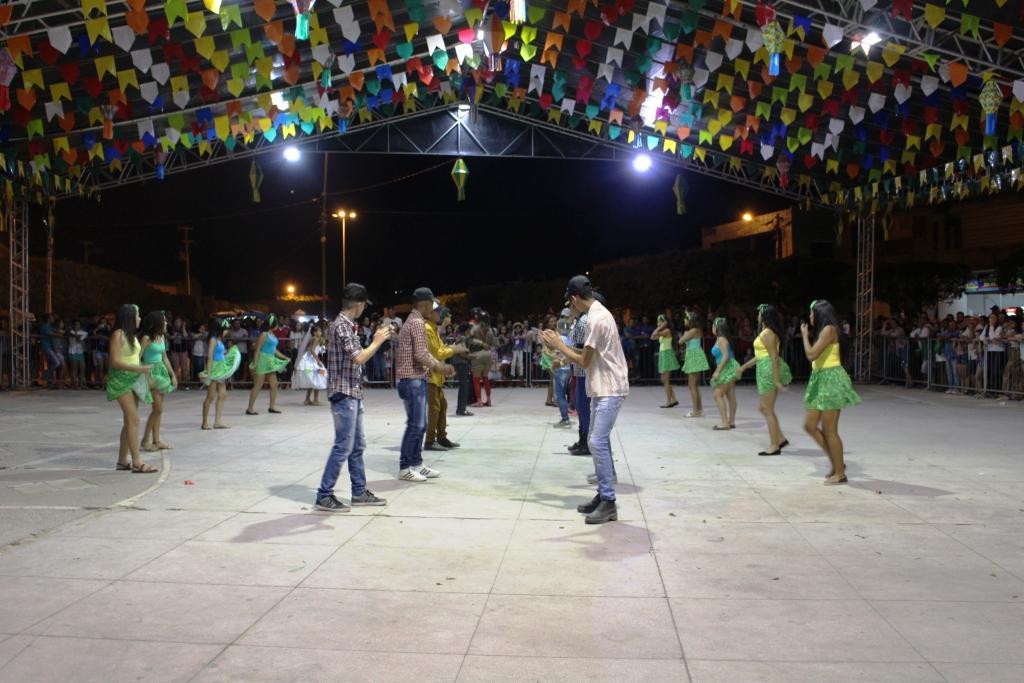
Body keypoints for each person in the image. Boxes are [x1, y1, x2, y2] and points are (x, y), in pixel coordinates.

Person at [541, 275, 628, 525]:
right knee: (597, 441)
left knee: (597, 442)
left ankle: (608, 501)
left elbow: (585, 361)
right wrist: (561, 352)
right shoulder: (597, 314)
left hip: (609, 388)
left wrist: (559, 343)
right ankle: (603, 496)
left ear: (574, 298)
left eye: (570, 303)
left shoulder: (595, 319)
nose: (571, 307)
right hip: (601, 387)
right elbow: (586, 353)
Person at [314, 283, 392, 512]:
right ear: (358, 304)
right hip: (343, 393)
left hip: (352, 391)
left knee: (357, 445)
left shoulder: (348, 325)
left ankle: (359, 491)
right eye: (363, 305)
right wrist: (377, 341)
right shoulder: (342, 326)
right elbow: (358, 358)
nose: (364, 309)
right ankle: (324, 495)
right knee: (343, 446)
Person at [395, 287, 454, 482]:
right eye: (432, 306)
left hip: (413, 379)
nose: (432, 310)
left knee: (419, 425)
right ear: (426, 305)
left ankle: (417, 464)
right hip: (412, 379)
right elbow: (421, 354)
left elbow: (422, 353)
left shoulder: (412, 321)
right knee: (416, 425)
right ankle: (405, 467)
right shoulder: (418, 323)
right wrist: (440, 367)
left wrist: (436, 366)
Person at [802, 300, 861, 485]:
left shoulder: (828, 329)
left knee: (829, 430)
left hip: (831, 379)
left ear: (819, 313)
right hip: (820, 378)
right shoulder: (824, 330)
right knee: (810, 425)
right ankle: (838, 464)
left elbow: (811, 354)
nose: (810, 316)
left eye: (811, 313)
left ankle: (840, 472)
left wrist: (804, 335)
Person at [106, 304, 157, 473]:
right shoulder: (117, 335)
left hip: (133, 380)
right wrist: (139, 369)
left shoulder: (132, 336)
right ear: (129, 317)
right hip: (120, 381)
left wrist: (143, 371)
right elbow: (114, 362)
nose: (140, 318)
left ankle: (122, 460)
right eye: (137, 315)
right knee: (133, 420)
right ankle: (137, 462)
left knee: (129, 421)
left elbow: (134, 358)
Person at [739, 304, 792, 456]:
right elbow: (760, 355)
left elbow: (774, 357)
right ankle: (780, 438)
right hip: (764, 368)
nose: (757, 315)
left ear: (764, 316)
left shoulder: (767, 333)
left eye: (759, 313)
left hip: (768, 370)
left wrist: (776, 381)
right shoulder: (765, 332)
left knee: (767, 409)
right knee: (764, 408)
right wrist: (744, 367)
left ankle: (774, 445)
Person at [424, 305, 466, 450]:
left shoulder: (433, 328)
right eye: (439, 313)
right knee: (434, 408)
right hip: (429, 375)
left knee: (442, 406)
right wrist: (455, 349)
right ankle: (430, 441)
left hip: (436, 374)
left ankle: (441, 437)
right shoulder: (427, 328)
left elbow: (440, 350)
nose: (442, 316)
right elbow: (438, 353)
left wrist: (452, 349)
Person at [139, 311, 177, 451]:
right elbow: (138, 358)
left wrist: (172, 374)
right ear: (157, 322)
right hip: (151, 372)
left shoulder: (161, 337)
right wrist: (146, 374)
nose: (166, 323)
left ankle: (156, 440)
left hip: (161, 372)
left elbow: (165, 357)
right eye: (164, 321)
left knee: (159, 410)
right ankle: (145, 440)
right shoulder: (146, 338)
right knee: (157, 408)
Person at [246, 314, 291, 415]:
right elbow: (257, 349)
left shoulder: (272, 334)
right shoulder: (264, 334)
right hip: (262, 360)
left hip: (270, 361)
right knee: (258, 385)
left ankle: (272, 407)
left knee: (274, 384)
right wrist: (255, 363)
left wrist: (284, 357)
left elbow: (274, 350)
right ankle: (250, 408)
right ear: (272, 324)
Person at [200, 319, 241, 430]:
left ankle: (218, 421)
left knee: (222, 395)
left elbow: (220, 353)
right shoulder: (213, 340)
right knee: (210, 396)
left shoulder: (219, 339)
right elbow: (209, 356)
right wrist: (208, 373)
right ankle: (204, 422)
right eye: (225, 329)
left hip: (221, 368)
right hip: (214, 369)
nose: (227, 331)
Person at [709, 316, 741, 431]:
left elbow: (726, 356)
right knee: (730, 395)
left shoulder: (721, 339)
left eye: (713, 325)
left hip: (726, 368)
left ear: (717, 327)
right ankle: (731, 421)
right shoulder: (721, 338)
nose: (711, 327)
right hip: (729, 367)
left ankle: (725, 422)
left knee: (717, 395)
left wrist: (717, 371)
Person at [679, 311, 707, 416]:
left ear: (691, 321)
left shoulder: (693, 331)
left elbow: (681, 341)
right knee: (693, 385)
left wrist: (685, 334)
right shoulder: (696, 330)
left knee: (692, 385)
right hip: (694, 355)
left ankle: (696, 411)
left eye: (686, 319)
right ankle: (699, 409)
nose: (684, 321)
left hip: (694, 356)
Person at [293, 324, 328, 405]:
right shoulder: (316, 339)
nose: (320, 332)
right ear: (315, 333)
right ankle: (315, 399)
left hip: (308, 359)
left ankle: (307, 399)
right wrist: (318, 361)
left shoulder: (314, 339)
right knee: (319, 377)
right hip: (312, 360)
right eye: (319, 331)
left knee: (312, 379)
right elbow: (312, 350)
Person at [468, 309, 497, 407]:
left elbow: (469, 340)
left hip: (477, 354)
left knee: (476, 379)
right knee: (485, 378)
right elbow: (494, 343)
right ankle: (489, 400)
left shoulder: (475, 328)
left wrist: (480, 343)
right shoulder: (491, 330)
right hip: (488, 354)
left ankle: (479, 401)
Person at [651, 313, 680, 408]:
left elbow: (654, 334)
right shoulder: (663, 331)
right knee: (664, 379)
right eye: (658, 321)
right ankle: (674, 399)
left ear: (665, 322)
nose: (658, 323)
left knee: (665, 380)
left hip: (666, 354)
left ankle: (669, 401)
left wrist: (661, 327)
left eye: (660, 321)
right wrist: (660, 327)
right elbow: (652, 337)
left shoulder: (667, 330)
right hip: (663, 354)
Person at [451, 322, 475, 417]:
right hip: (462, 363)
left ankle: (461, 409)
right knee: (464, 387)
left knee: (463, 386)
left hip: (459, 363)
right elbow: (461, 353)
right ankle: (462, 409)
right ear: (467, 330)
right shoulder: (463, 338)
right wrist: (472, 357)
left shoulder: (459, 337)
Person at [39, 314, 62, 389]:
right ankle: (45, 374)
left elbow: (55, 331)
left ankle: (50, 384)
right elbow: (52, 334)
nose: (53, 319)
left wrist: (60, 331)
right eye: (52, 318)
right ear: (48, 319)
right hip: (46, 347)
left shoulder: (49, 326)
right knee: (56, 362)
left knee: (51, 364)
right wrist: (59, 334)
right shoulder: (45, 326)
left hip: (50, 347)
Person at [168, 317, 191, 390]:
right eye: (176, 322)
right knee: (176, 368)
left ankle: (186, 384)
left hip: (183, 350)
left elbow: (186, 336)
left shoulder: (184, 329)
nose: (178, 323)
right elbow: (168, 336)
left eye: (179, 322)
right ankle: (176, 384)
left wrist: (183, 327)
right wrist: (173, 337)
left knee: (185, 368)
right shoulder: (171, 330)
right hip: (174, 350)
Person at [66, 320, 88, 390]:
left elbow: (79, 339)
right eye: (75, 324)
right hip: (72, 351)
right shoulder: (70, 332)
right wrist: (74, 333)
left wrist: (75, 334)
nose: (77, 326)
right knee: (74, 369)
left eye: (78, 324)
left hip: (80, 352)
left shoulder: (83, 332)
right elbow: (77, 338)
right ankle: (75, 385)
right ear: (73, 325)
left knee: (82, 368)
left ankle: (81, 384)